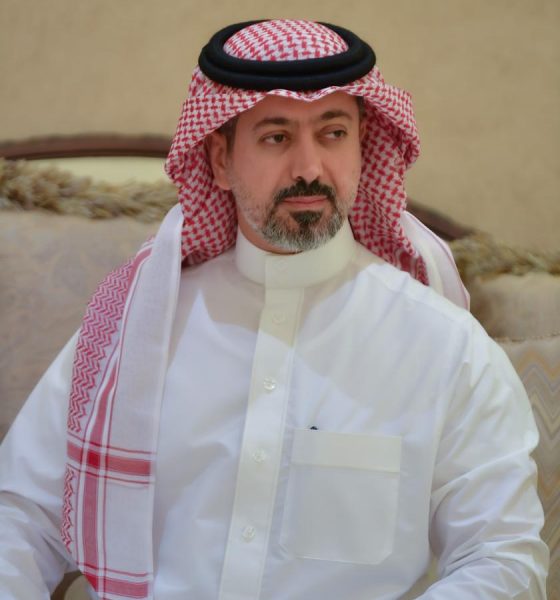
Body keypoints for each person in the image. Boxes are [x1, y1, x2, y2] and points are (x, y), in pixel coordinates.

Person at [0, 19, 548, 600]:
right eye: (276, 137)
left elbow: (502, 561)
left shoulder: (445, 347)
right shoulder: (131, 330)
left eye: (333, 133)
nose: (309, 167)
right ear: (219, 159)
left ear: (363, 147)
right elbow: (21, 516)